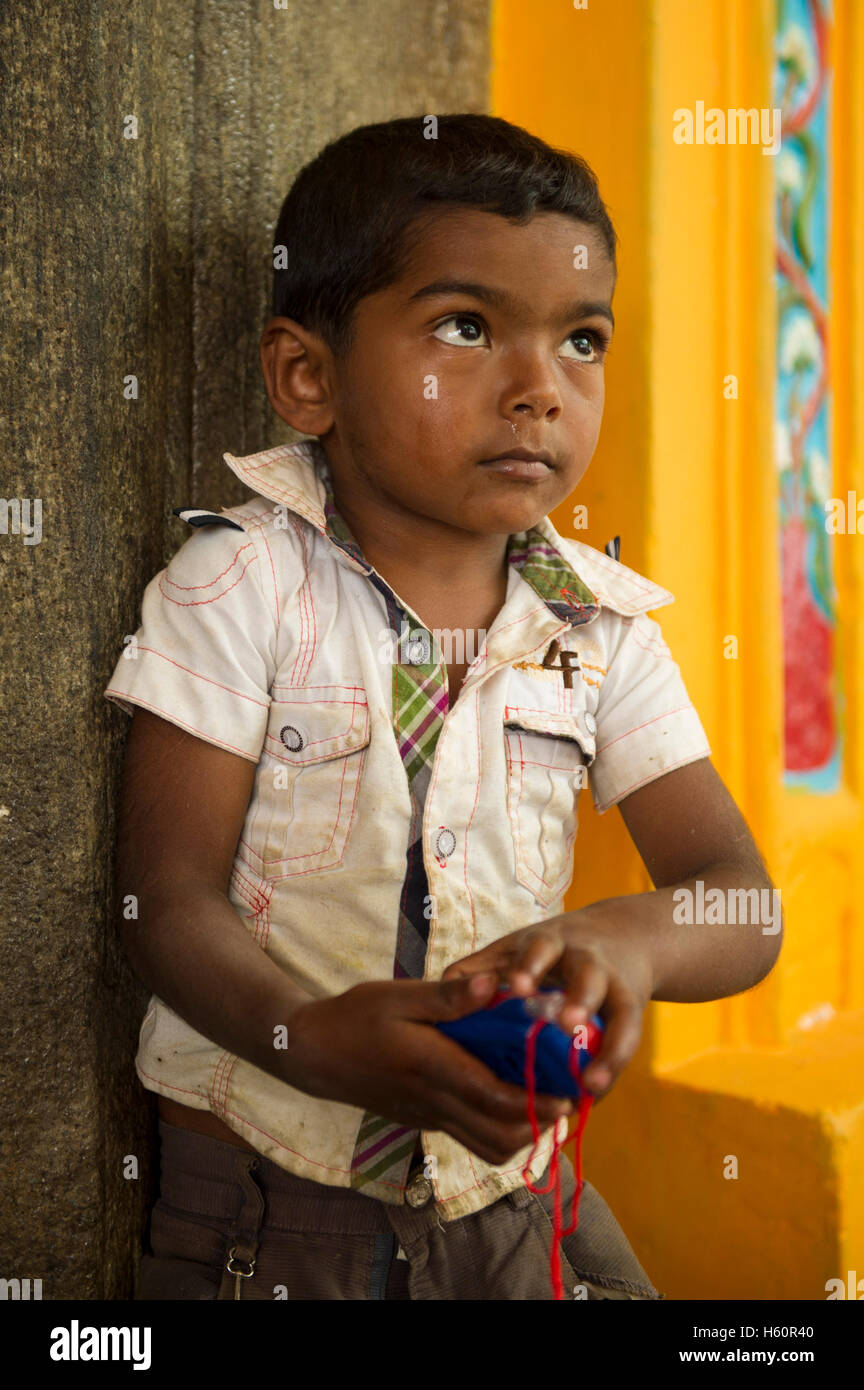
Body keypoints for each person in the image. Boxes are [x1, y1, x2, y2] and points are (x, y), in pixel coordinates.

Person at [104, 113, 783, 1301]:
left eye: (581, 341)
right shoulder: (240, 586)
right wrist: (310, 1039)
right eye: (466, 329)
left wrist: (625, 937)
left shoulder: (602, 629)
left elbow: (741, 902)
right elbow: (163, 902)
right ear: (307, 376)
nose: (539, 392)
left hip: (514, 1202)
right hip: (268, 1216)